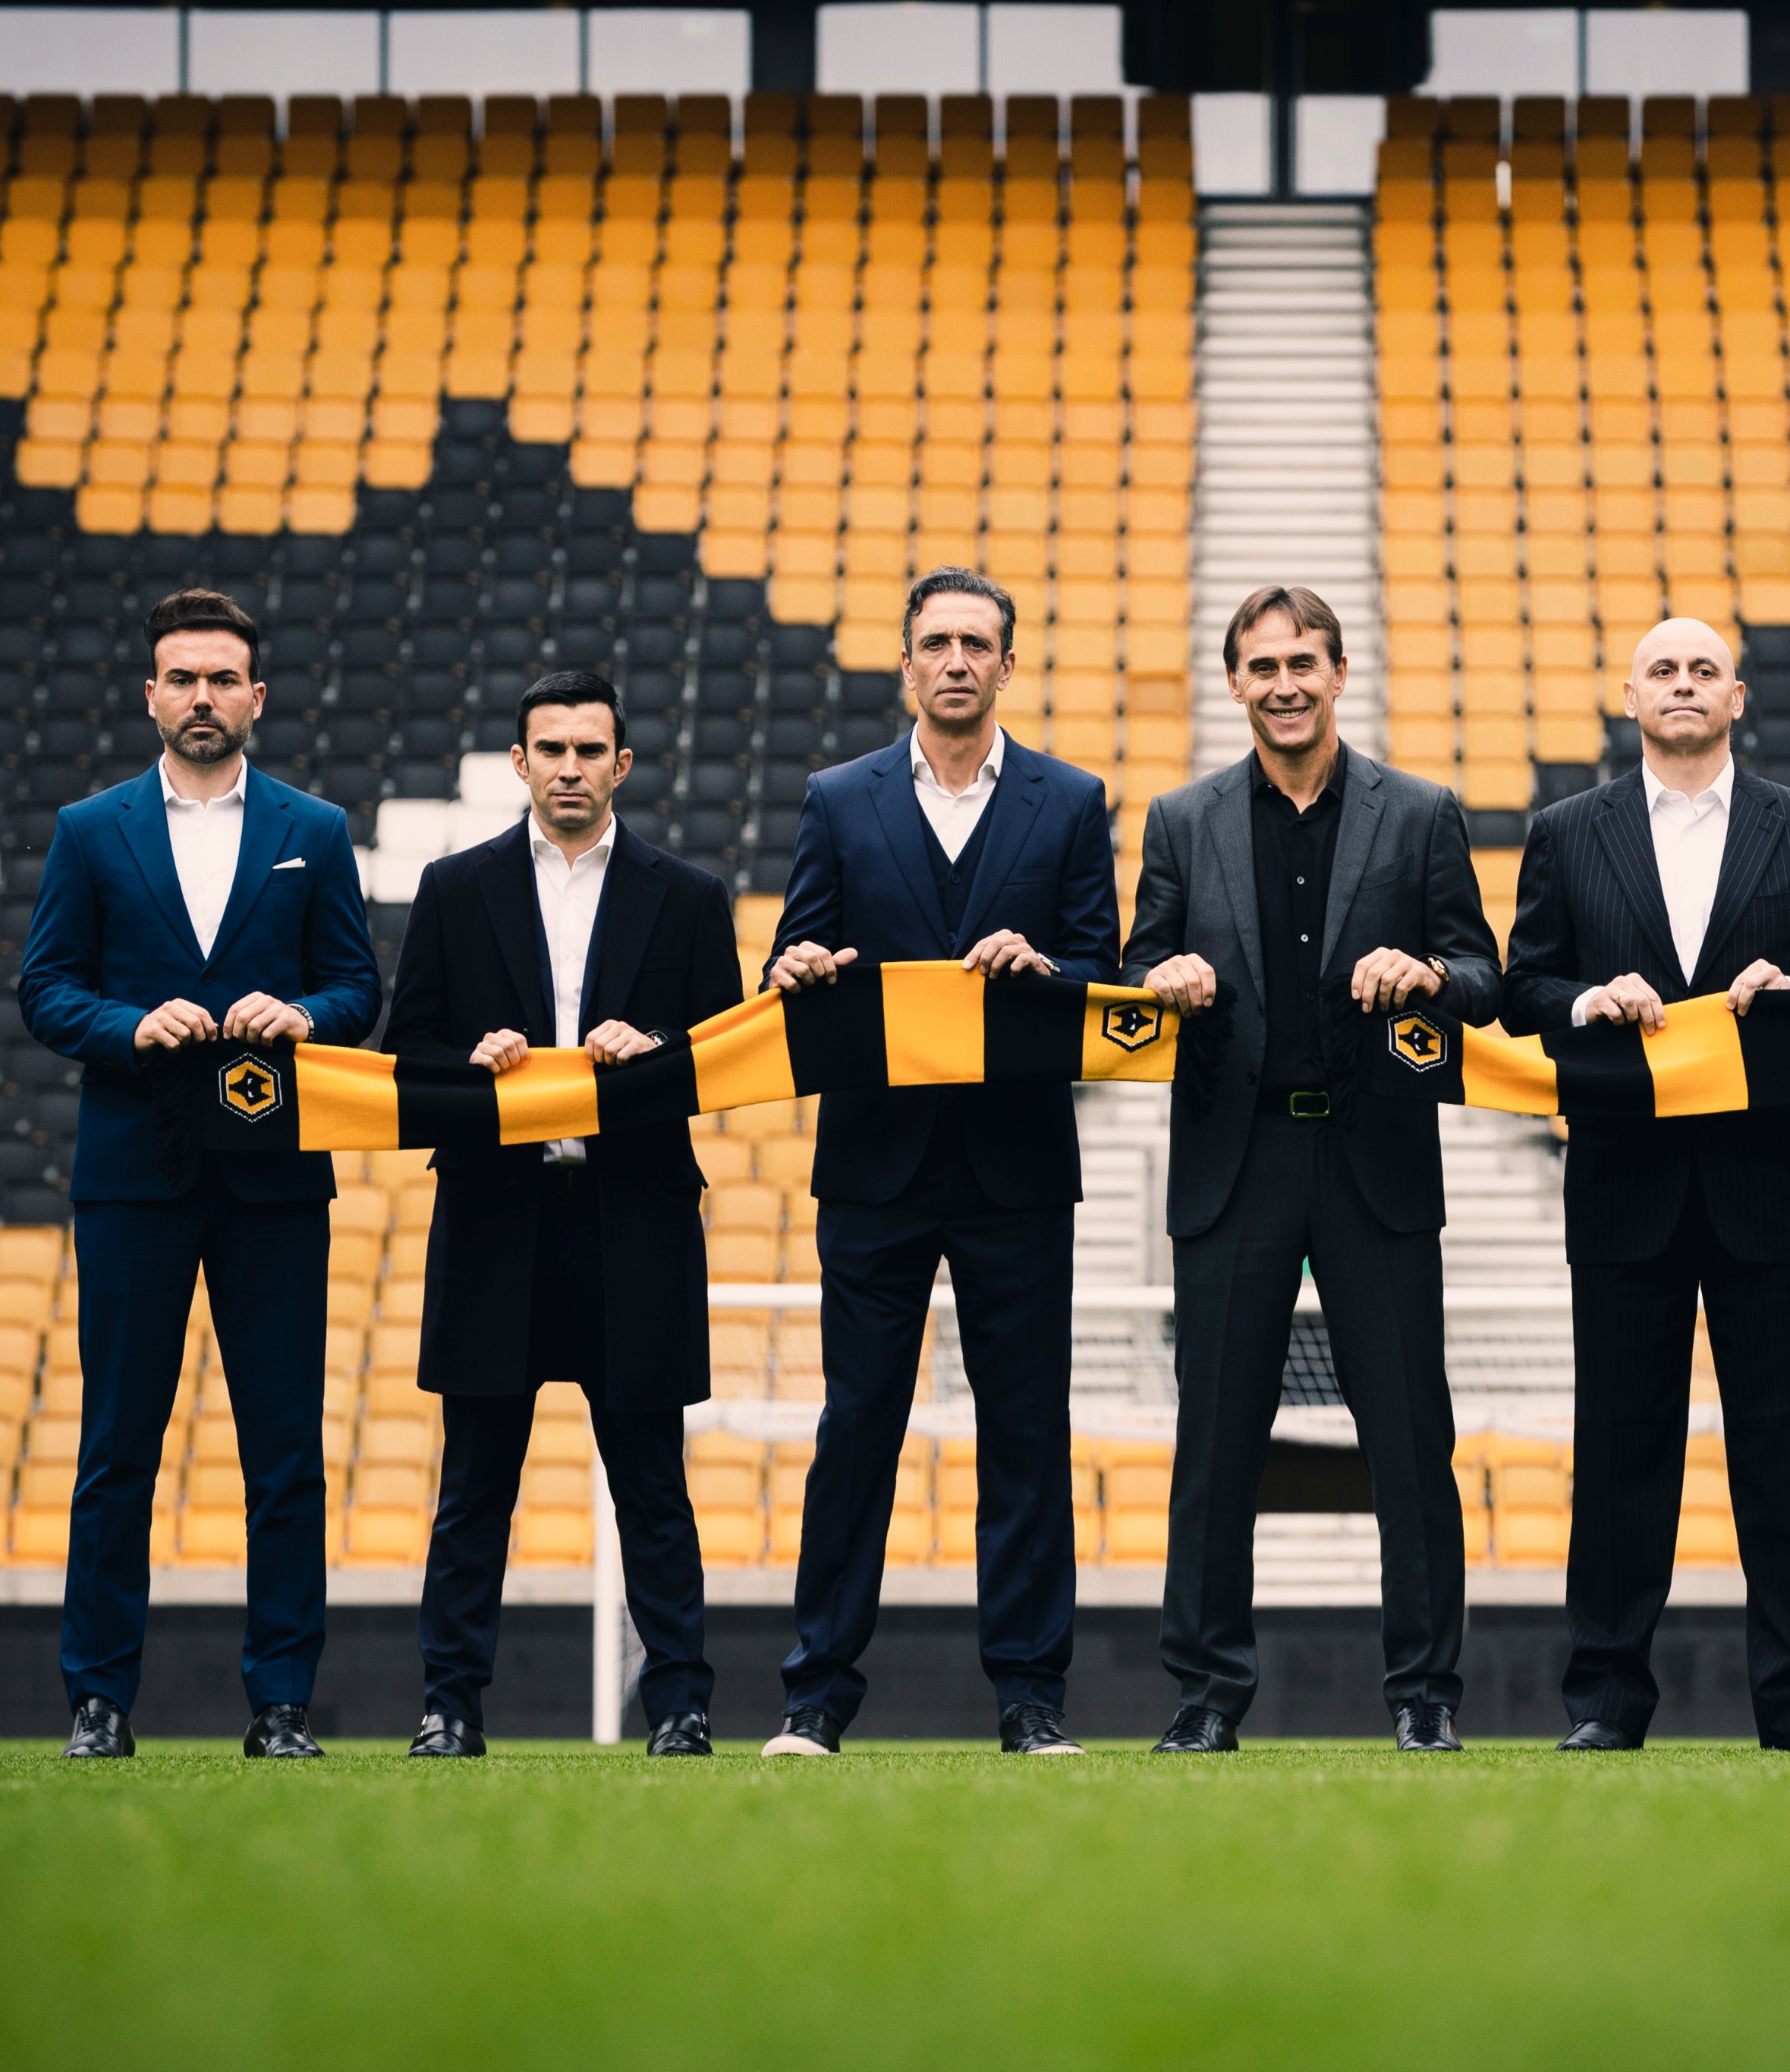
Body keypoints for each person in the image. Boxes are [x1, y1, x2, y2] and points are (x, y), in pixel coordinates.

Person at [1124, 586, 1503, 1755]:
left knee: (1408, 1437)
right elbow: (1138, 966)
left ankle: (1426, 1695)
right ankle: (1204, 1698)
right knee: (1215, 1442)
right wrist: (1162, 981)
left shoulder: (1423, 812)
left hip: (1372, 1153)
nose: (1284, 683)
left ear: (1341, 673)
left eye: (1304, 661)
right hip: (1234, 1161)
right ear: (1232, 683)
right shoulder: (1181, 820)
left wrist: (1430, 973)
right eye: (1260, 665)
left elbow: (1484, 977)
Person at [1502, 616, 1790, 1753]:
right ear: (1630, 696)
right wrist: (1583, 1002)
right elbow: (1523, 985)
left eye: (1702, 670)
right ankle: (1605, 1704)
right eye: (1662, 671)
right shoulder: (1567, 832)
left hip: (1770, 1180)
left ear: (1737, 696)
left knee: (1784, 1452)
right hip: (1623, 1180)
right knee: (1620, 1453)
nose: (1682, 685)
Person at [760, 568, 1120, 1758]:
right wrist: (798, 969)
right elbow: (788, 961)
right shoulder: (839, 798)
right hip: (875, 1164)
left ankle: (1030, 1699)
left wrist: (1049, 969)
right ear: (905, 663)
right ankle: (817, 1696)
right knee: (856, 1427)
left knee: (1027, 1431)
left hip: (1017, 1163)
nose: (957, 659)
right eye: (937, 642)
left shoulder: (1072, 802)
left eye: (978, 643)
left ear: (1008, 666)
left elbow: (1102, 977)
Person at [18, 588, 379, 1759]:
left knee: (284, 1451)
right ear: (151, 696)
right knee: (119, 1447)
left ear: (257, 698)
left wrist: (304, 1012)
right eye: (183, 678)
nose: (204, 697)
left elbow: (359, 992)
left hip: (275, 1179)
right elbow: (45, 989)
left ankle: (279, 1704)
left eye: (224, 679)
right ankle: (97, 1702)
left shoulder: (314, 830)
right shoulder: (89, 829)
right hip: (133, 1178)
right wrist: (128, 1025)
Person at [383, 671, 744, 1759]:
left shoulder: (687, 896)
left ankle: (679, 1705)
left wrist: (658, 1054)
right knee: (474, 1488)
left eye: (592, 750)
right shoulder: (455, 888)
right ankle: (451, 1705)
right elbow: (407, 1055)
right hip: (496, 1219)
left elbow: (725, 1061)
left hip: (632, 1220)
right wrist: (470, 1059)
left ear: (622, 766)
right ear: (521, 763)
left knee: (653, 1488)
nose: (572, 768)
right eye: (553, 749)